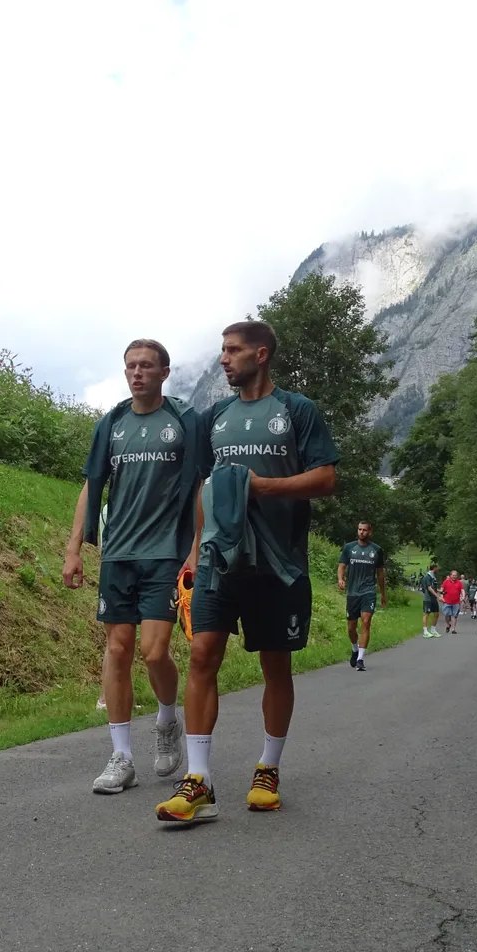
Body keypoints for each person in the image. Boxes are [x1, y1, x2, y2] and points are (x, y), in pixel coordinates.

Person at [155, 320, 338, 823]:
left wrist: (263, 487)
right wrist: (194, 551)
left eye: (232, 351)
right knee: (201, 653)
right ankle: (198, 780)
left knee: (275, 666)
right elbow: (204, 488)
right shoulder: (215, 417)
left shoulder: (297, 411)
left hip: (279, 564)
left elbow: (326, 478)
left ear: (261, 355)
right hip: (219, 559)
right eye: (222, 351)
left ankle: (268, 769)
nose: (223, 359)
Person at [63, 338, 200, 794]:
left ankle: (166, 721)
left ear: (164, 372)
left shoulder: (183, 421)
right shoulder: (112, 424)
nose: (137, 372)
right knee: (118, 650)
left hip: (164, 553)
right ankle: (121, 757)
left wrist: (196, 549)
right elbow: (92, 484)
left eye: (146, 366)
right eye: (130, 366)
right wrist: (74, 547)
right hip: (118, 554)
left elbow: (199, 489)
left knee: (154, 651)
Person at [338, 521, 386, 671]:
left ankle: (360, 659)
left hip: (368, 591)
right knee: (351, 628)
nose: (361, 532)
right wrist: (340, 579)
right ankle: (354, 649)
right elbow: (342, 565)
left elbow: (380, 573)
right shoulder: (349, 548)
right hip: (353, 592)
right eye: (359, 529)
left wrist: (383, 593)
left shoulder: (376, 550)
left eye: (364, 530)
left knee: (366, 622)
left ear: (370, 532)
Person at [419, 561, 442, 637]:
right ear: (434, 568)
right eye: (437, 568)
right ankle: (425, 632)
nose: (438, 569)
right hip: (428, 598)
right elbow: (429, 588)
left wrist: (440, 591)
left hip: (433, 598)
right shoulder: (427, 576)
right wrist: (438, 596)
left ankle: (433, 630)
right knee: (426, 614)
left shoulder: (433, 576)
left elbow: (434, 588)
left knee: (436, 613)